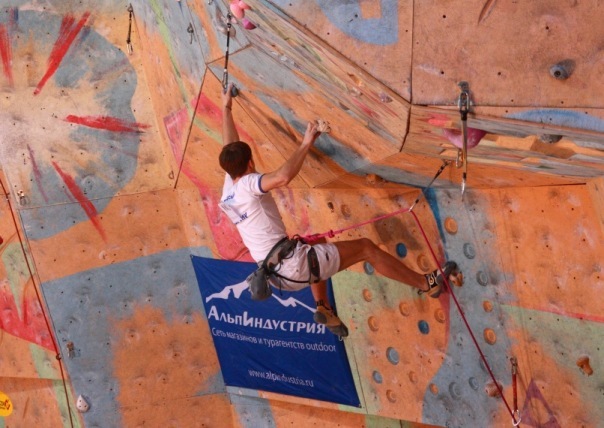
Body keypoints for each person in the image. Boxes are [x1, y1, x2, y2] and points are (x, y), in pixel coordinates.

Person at [218, 84, 458, 337]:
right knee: (365, 248)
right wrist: (306, 142)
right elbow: (282, 177)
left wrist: (226, 107)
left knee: (317, 243)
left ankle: (324, 307)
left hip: (276, 274)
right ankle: (427, 284)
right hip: (294, 265)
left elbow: (229, 146)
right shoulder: (248, 183)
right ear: (250, 163)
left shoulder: (229, 190)